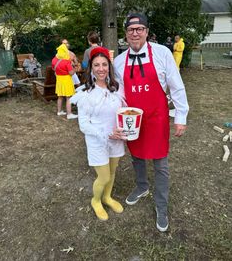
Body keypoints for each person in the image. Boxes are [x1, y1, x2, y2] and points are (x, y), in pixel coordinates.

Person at [114, 13, 189, 232]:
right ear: (126, 34)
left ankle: (161, 206)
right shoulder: (119, 62)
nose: (135, 33)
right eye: (131, 29)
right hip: (133, 119)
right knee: (136, 156)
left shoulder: (163, 53)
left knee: (160, 165)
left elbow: (176, 86)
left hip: (157, 118)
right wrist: (118, 118)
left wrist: (181, 117)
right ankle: (142, 187)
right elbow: (120, 94)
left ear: (146, 32)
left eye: (139, 29)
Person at [70, 46, 126, 221]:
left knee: (113, 171)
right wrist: (106, 133)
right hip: (97, 141)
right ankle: (96, 200)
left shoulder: (116, 88)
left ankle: (107, 197)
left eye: (104, 64)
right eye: (96, 65)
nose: (101, 69)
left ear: (109, 66)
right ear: (91, 68)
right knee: (104, 176)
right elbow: (83, 125)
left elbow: (122, 112)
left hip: (116, 139)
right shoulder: (86, 94)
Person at [52, 40, 77, 119]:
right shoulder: (66, 62)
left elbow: (54, 69)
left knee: (60, 97)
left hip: (59, 80)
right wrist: (75, 69)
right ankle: (69, 114)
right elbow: (71, 73)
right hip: (66, 80)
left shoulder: (54, 59)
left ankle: (59, 112)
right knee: (68, 97)